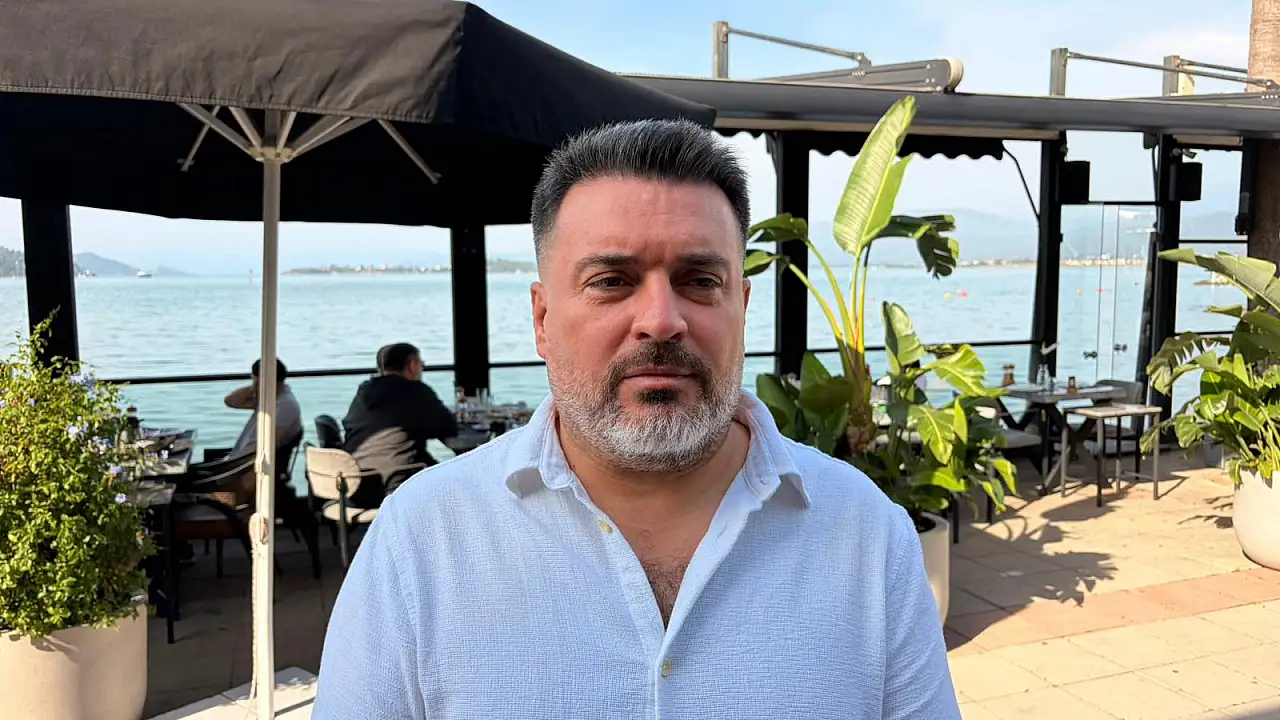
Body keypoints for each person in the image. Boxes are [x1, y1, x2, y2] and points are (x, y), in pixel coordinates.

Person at [315, 120, 959, 719]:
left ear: (741, 306)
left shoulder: (867, 535)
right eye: (611, 280)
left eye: (699, 280)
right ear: (542, 320)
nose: (661, 320)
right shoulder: (424, 538)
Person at [341, 342, 458, 507]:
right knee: (459, 480)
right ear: (411, 365)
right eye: (421, 364)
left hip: (353, 485)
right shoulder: (415, 391)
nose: (422, 369)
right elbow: (448, 427)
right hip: (397, 485)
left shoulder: (364, 392)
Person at [223, 358, 303, 459]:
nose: (254, 388)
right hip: (239, 457)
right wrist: (256, 386)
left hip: (246, 463)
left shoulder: (286, 405)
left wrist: (233, 460)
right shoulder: (268, 397)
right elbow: (230, 401)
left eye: (257, 383)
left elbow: (267, 444)